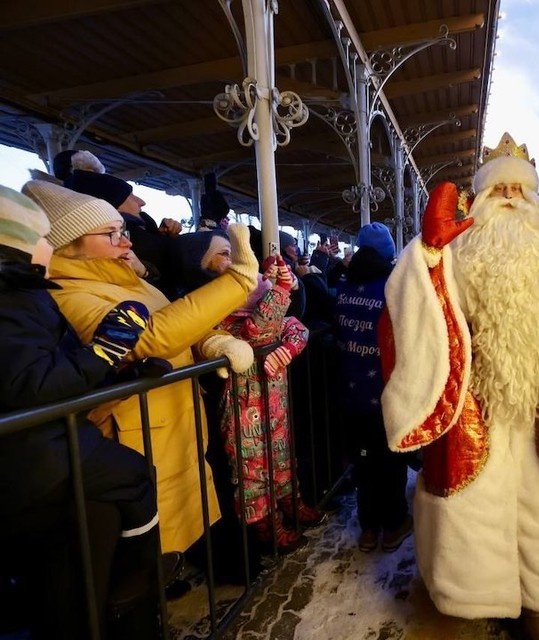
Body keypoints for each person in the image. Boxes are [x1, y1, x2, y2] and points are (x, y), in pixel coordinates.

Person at [378, 133, 539, 640]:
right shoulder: (455, 247)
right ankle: (467, 603)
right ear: (479, 195)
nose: (509, 197)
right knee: (469, 509)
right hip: (472, 406)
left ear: (537, 200)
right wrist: (430, 254)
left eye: (520, 189)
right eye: (499, 187)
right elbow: (409, 300)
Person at [20, 179, 262, 554]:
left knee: (176, 535)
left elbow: (178, 319)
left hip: (171, 425)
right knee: (147, 547)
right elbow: (148, 338)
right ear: (72, 243)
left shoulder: (126, 281)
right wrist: (238, 282)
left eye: (124, 231)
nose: (126, 242)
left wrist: (212, 340)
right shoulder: (67, 291)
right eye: (112, 233)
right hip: (136, 434)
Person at [0, 184, 160, 639]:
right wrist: (107, 351)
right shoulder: (15, 296)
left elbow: (54, 362)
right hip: (37, 456)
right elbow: (32, 383)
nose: (47, 246)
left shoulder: (25, 293)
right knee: (134, 474)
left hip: (46, 446)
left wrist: (123, 373)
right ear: (18, 244)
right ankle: (136, 575)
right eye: (41, 238)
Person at [216, 254, 319, 553]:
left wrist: (287, 349)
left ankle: (291, 502)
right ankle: (266, 525)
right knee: (252, 468)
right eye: (223, 254)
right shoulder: (225, 319)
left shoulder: (264, 312)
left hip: (274, 404)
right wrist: (281, 289)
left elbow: (297, 327)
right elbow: (256, 331)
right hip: (244, 405)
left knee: (281, 456)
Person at [334, 222, 411, 552]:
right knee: (391, 461)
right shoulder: (394, 286)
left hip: (351, 394)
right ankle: (393, 526)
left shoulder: (343, 286)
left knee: (364, 461)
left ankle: (368, 529)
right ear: (388, 252)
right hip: (386, 391)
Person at [64, 169, 182, 296]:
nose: (141, 202)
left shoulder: (142, 228)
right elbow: (171, 271)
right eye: (130, 196)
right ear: (114, 205)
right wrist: (145, 272)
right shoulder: (127, 239)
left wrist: (164, 235)